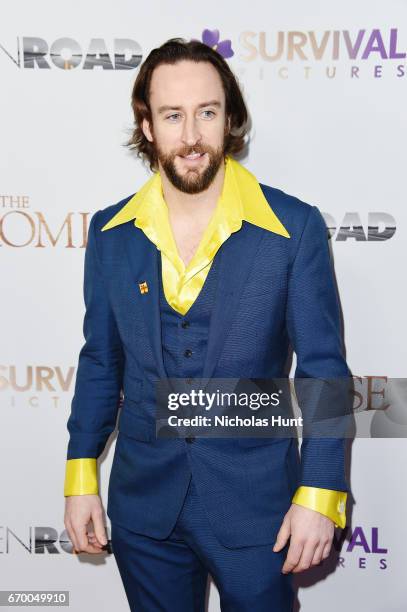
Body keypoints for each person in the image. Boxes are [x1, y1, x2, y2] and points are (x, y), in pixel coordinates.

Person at [63, 38, 350, 611]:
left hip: (259, 509)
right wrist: (81, 476)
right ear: (147, 125)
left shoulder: (293, 228)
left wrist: (321, 493)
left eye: (207, 112)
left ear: (229, 119)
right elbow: (100, 360)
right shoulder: (110, 233)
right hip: (144, 510)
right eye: (172, 115)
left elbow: (323, 370)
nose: (191, 135)